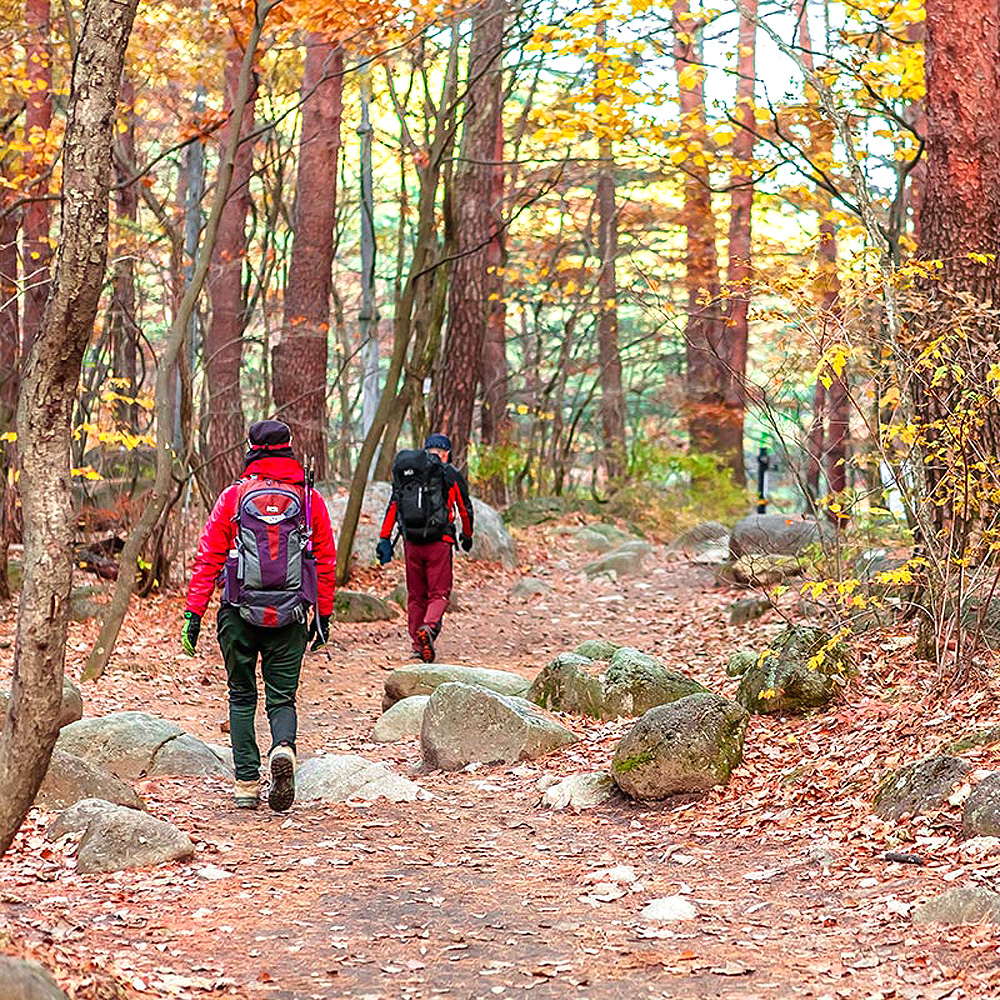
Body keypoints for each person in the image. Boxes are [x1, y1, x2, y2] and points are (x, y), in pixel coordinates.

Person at [180, 419, 336, 812]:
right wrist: (324, 615)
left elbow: (209, 557)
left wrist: (193, 613)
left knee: (241, 695)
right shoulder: (308, 498)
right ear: (289, 446)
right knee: (282, 698)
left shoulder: (233, 498)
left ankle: (247, 784)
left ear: (250, 447)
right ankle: (282, 748)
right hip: (290, 612)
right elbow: (325, 561)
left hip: (238, 611)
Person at [376, 433, 474, 662]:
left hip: (412, 542)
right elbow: (464, 507)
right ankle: (428, 629)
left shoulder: (408, 472)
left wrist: (384, 538)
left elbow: (394, 505)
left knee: (416, 596)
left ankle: (416, 647)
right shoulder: (448, 473)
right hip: (440, 542)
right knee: (439, 593)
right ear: (447, 453)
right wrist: (467, 535)